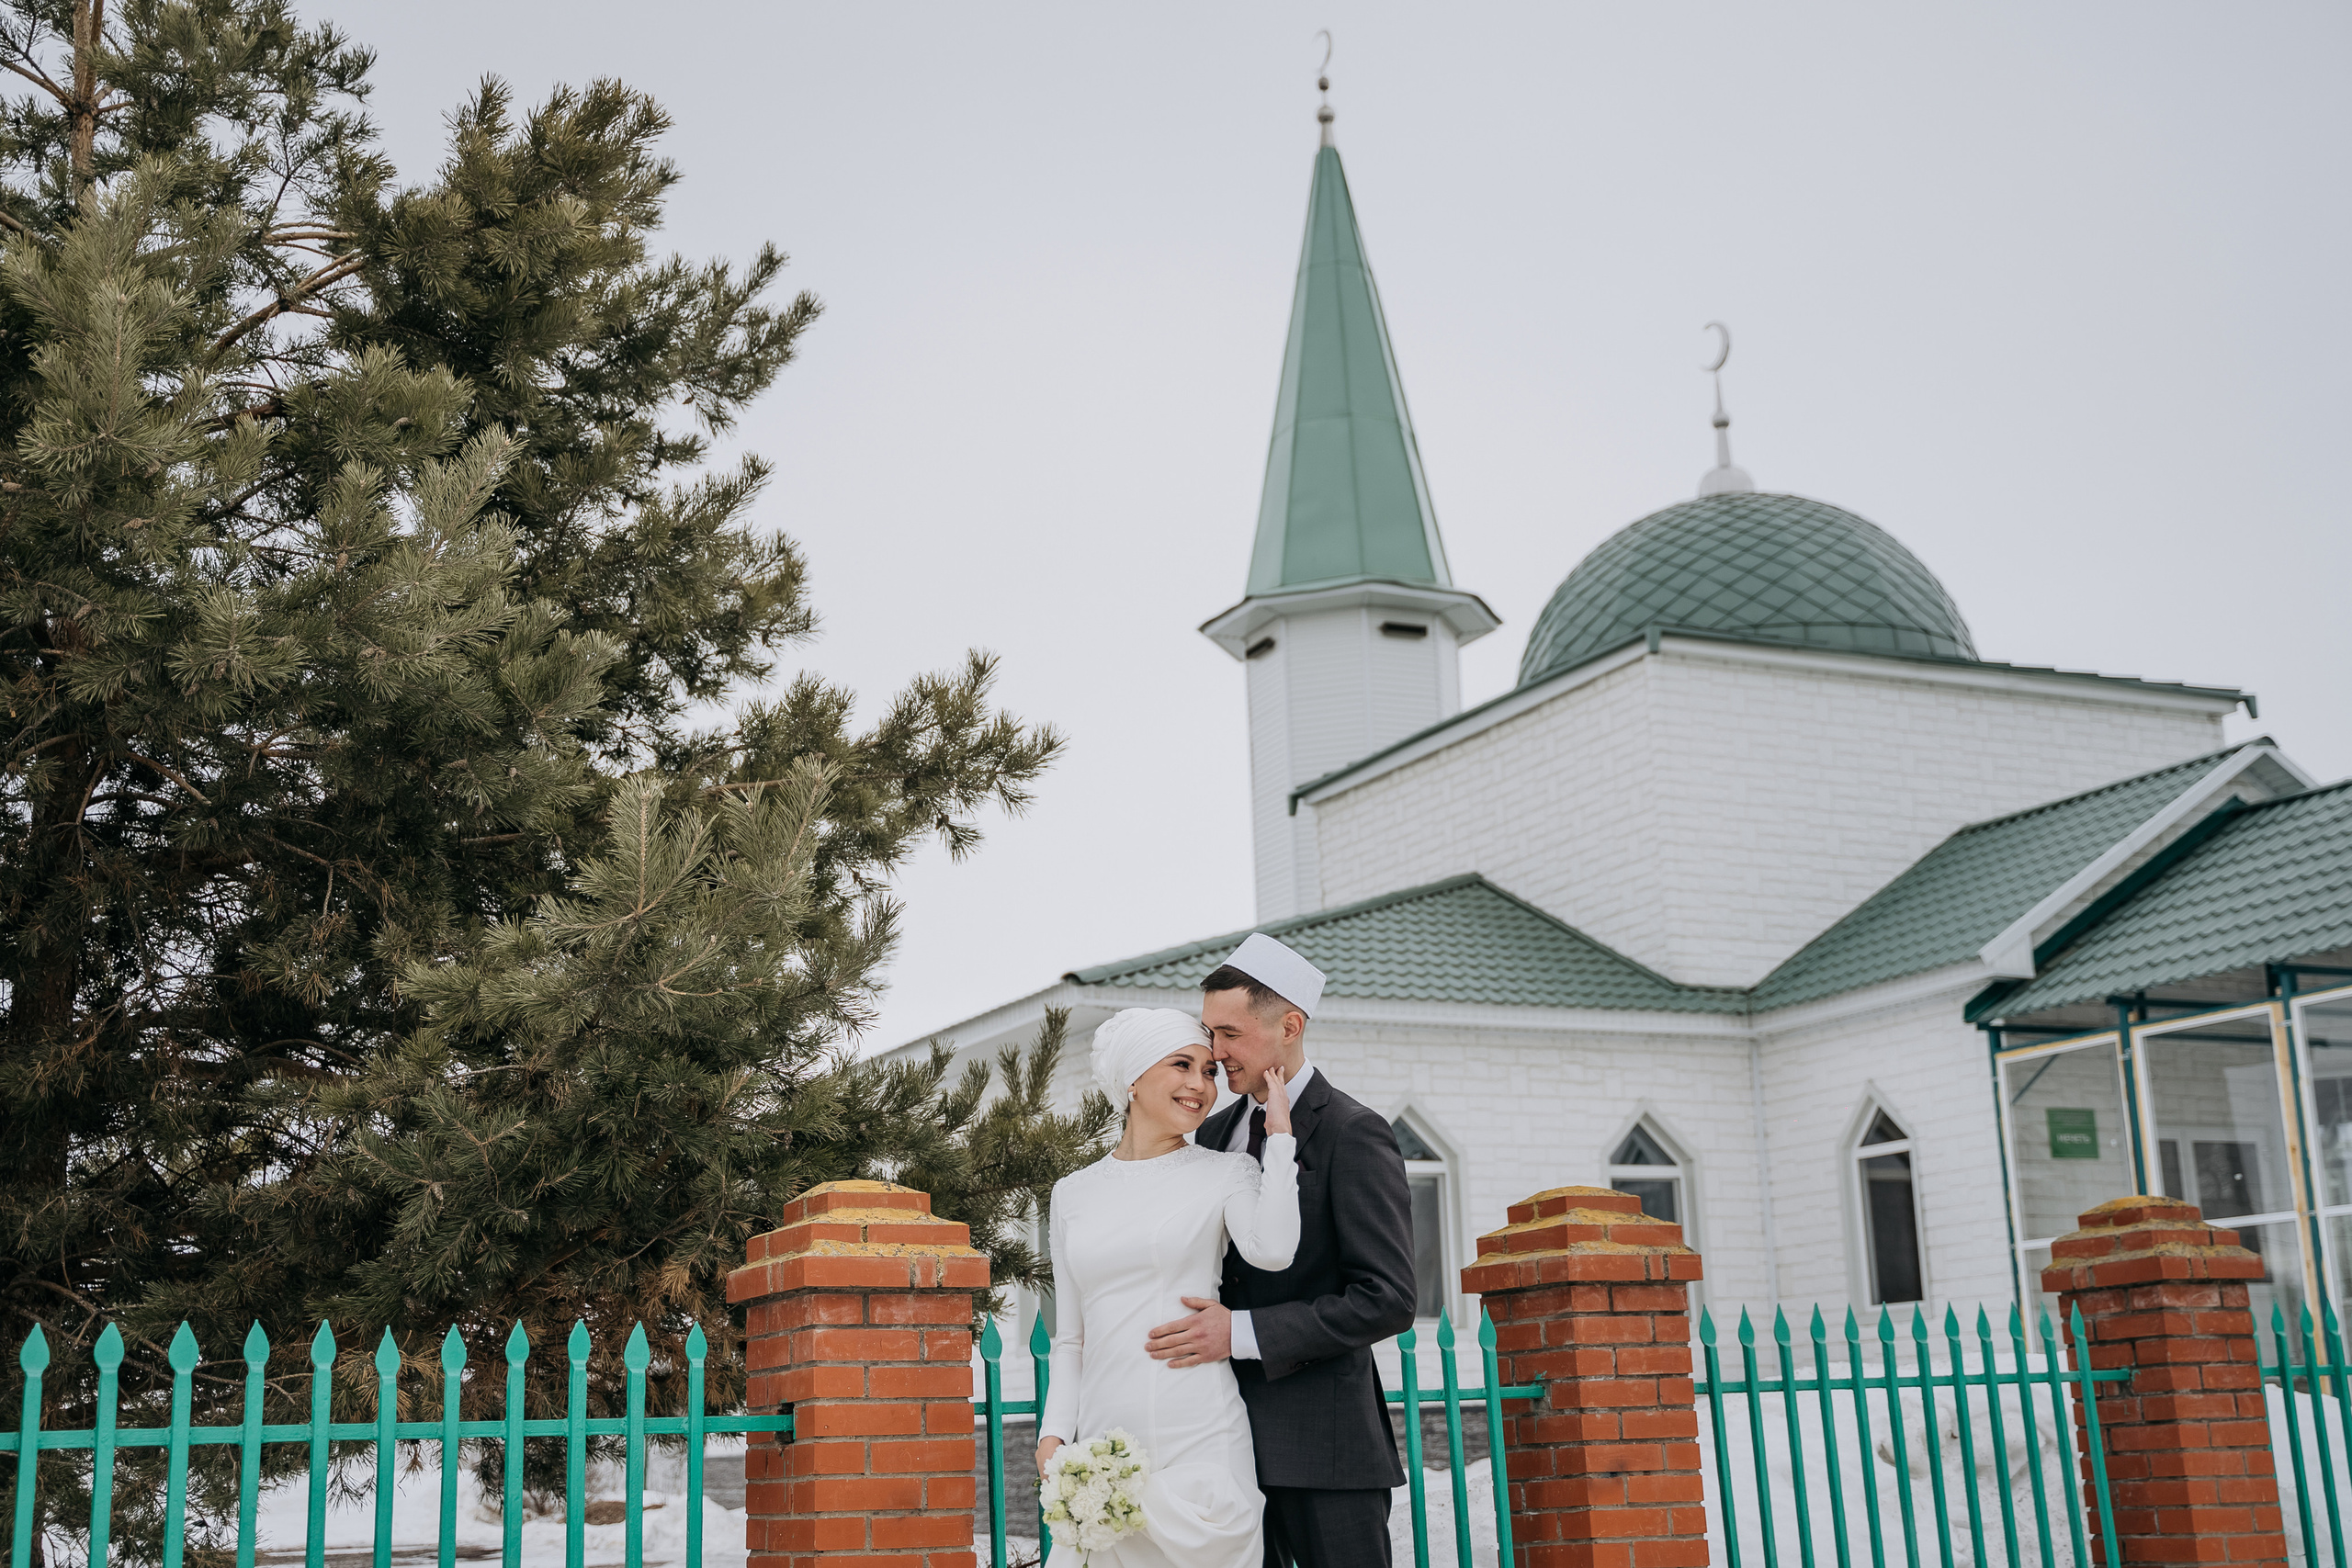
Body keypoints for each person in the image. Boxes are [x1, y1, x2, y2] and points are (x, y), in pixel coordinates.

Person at [1147, 933, 1417, 1568]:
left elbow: (1388, 1298)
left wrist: (1239, 1332)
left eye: (1230, 1034)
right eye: (1208, 1031)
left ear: (1290, 1025)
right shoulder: (1210, 1132)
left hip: (1325, 1449)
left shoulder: (1355, 1132)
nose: (1215, 1052)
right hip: (1219, 1445)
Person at [1035, 1006, 1301, 1568]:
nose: (1200, 1085)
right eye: (1182, 1064)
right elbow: (1071, 1336)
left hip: (1200, 1434)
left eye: (1208, 1071)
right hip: (1103, 1445)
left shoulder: (1225, 1172)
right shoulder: (1072, 1193)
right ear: (1133, 1078)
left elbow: (1273, 1250)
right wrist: (1054, 1433)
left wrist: (1279, 1141)